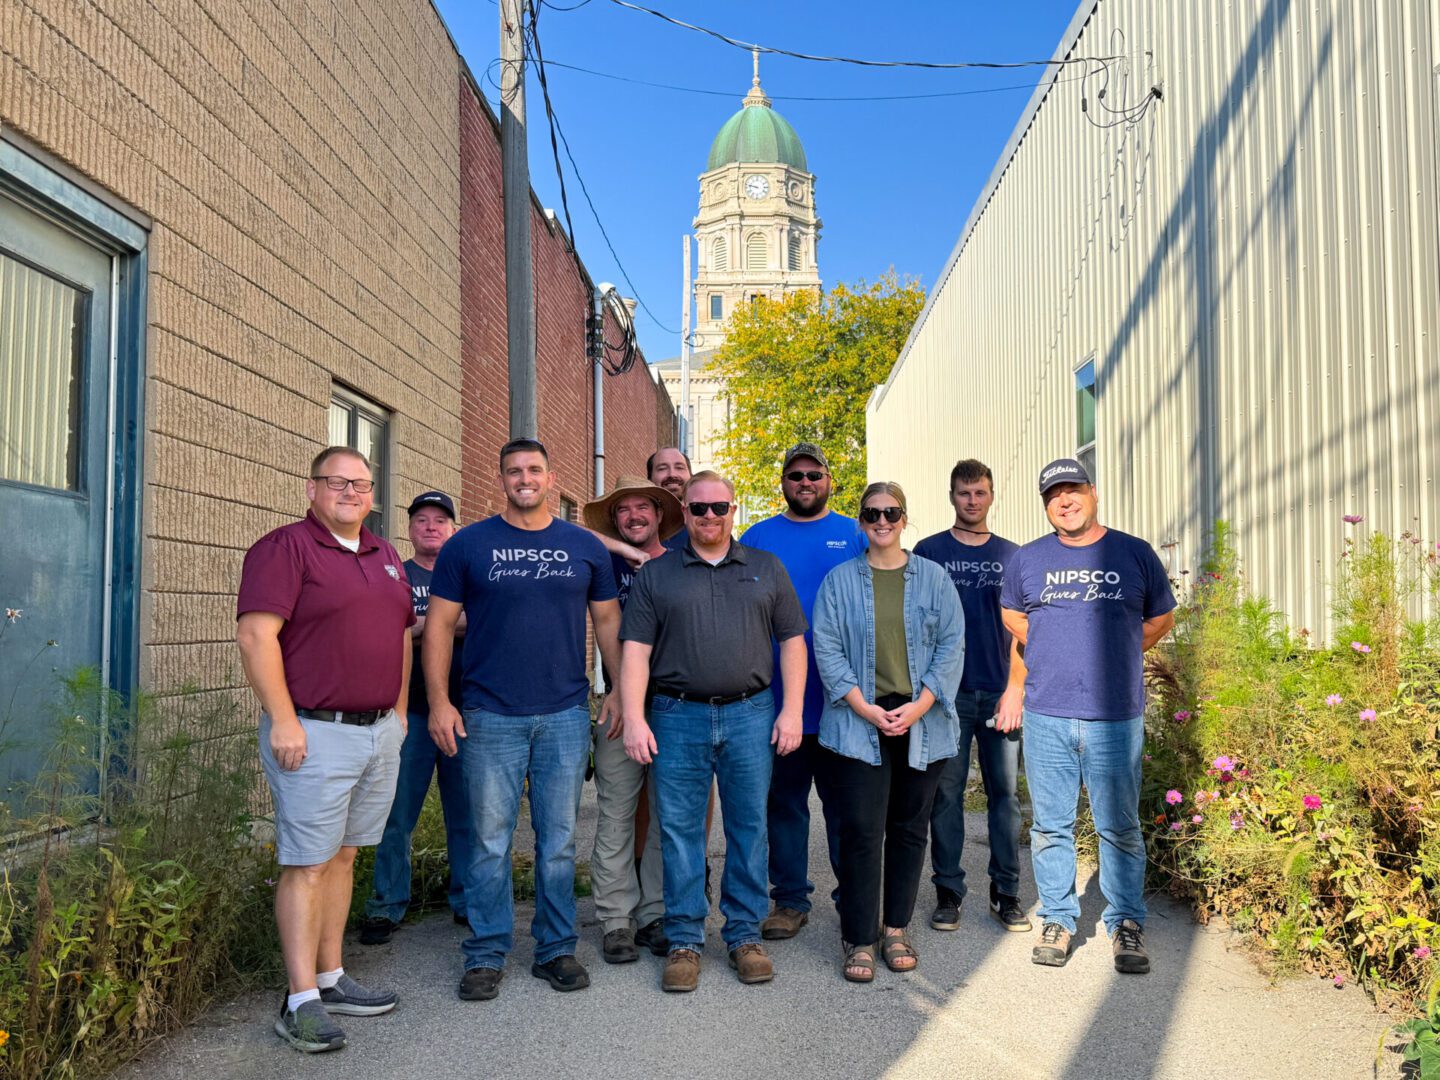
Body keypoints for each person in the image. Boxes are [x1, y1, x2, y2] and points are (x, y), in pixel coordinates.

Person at [424, 439, 622, 1001]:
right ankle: (486, 953)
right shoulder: (469, 545)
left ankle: (556, 949)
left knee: (557, 841)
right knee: (489, 841)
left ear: (551, 478)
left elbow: (608, 623)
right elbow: (438, 628)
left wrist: (615, 691)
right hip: (489, 715)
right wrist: (441, 702)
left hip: (562, 713)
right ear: (502, 479)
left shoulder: (583, 545)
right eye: (514, 470)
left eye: (534, 469)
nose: (525, 478)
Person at [236, 446, 413, 1053]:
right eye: (336, 482)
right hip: (313, 730)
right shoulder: (284, 549)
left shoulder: (384, 554)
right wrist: (283, 719)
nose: (350, 492)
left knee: (343, 857)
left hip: (376, 730)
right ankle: (299, 999)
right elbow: (257, 634)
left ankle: (332, 978)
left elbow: (401, 635)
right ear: (311, 488)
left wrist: (400, 711)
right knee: (306, 862)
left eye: (361, 484)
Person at [620, 471, 808, 992]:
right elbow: (634, 650)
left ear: (733, 510)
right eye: (698, 508)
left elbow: (793, 641)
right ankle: (683, 939)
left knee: (749, 827)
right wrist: (634, 716)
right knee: (679, 832)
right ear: (684, 511)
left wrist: (791, 711)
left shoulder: (766, 568)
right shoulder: (657, 575)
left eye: (719, 507)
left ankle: (744, 935)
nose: (709, 517)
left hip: (751, 713)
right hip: (677, 715)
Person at [999, 458, 1176, 974]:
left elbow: (1160, 618)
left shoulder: (1133, 553)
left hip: (1114, 716)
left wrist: (1118, 647)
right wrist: (1054, 645)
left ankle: (1125, 922)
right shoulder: (1028, 559)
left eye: (1074, 489)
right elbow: (1012, 614)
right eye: (1055, 494)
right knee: (1052, 826)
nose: (1066, 500)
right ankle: (1057, 917)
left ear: (1092, 493)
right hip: (1047, 714)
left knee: (1119, 826)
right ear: (1046, 504)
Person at [812, 482, 965, 982]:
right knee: (860, 831)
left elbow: (951, 648)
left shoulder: (935, 579)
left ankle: (895, 927)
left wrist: (920, 705)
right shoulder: (838, 581)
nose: (882, 521)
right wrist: (864, 707)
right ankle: (859, 935)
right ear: (860, 521)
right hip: (859, 719)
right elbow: (828, 649)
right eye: (872, 513)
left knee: (907, 829)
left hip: (921, 718)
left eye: (891, 512)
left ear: (904, 518)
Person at [741, 442, 864, 941]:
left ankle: (853, 899)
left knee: (845, 809)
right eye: (796, 475)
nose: (806, 482)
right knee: (784, 806)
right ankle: (789, 900)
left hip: (841, 702)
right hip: (776, 703)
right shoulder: (758, 536)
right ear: (783, 482)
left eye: (815, 474)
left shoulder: (854, 534)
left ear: (829, 480)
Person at [914, 460, 1031, 932]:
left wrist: (1015, 689)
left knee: (1005, 796)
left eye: (980, 493)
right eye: (964, 493)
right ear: (951, 495)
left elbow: (1025, 630)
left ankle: (1006, 893)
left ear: (991, 496)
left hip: (999, 692)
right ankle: (949, 891)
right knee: (946, 795)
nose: (972, 501)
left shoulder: (1014, 556)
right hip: (947, 696)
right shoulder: (929, 552)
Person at [360, 490, 474, 945]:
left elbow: (481, 620)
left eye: (440, 520)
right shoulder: (395, 576)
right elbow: (387, 631)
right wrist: (445, 622)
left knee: (465, 815)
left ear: (453, 529)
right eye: (422, 519)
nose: (431, 526)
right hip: (407, 713)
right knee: (395, 815)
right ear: (409, 529)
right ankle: (385, 905)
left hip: (466, 714)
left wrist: (421, 625)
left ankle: (466, 901)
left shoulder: (468, 574)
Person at [580, 475, 685, 963]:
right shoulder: (601, 562)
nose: (635, 516)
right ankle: (616, 920)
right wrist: (620, 547)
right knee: (617, 814)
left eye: (645, 507)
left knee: (666, 815)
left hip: (672, 704)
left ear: (661, 515)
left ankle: (656, 913)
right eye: (624, 510)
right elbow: (559, 527)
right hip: (617, 704)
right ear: (614, 522)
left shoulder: (683, 563)